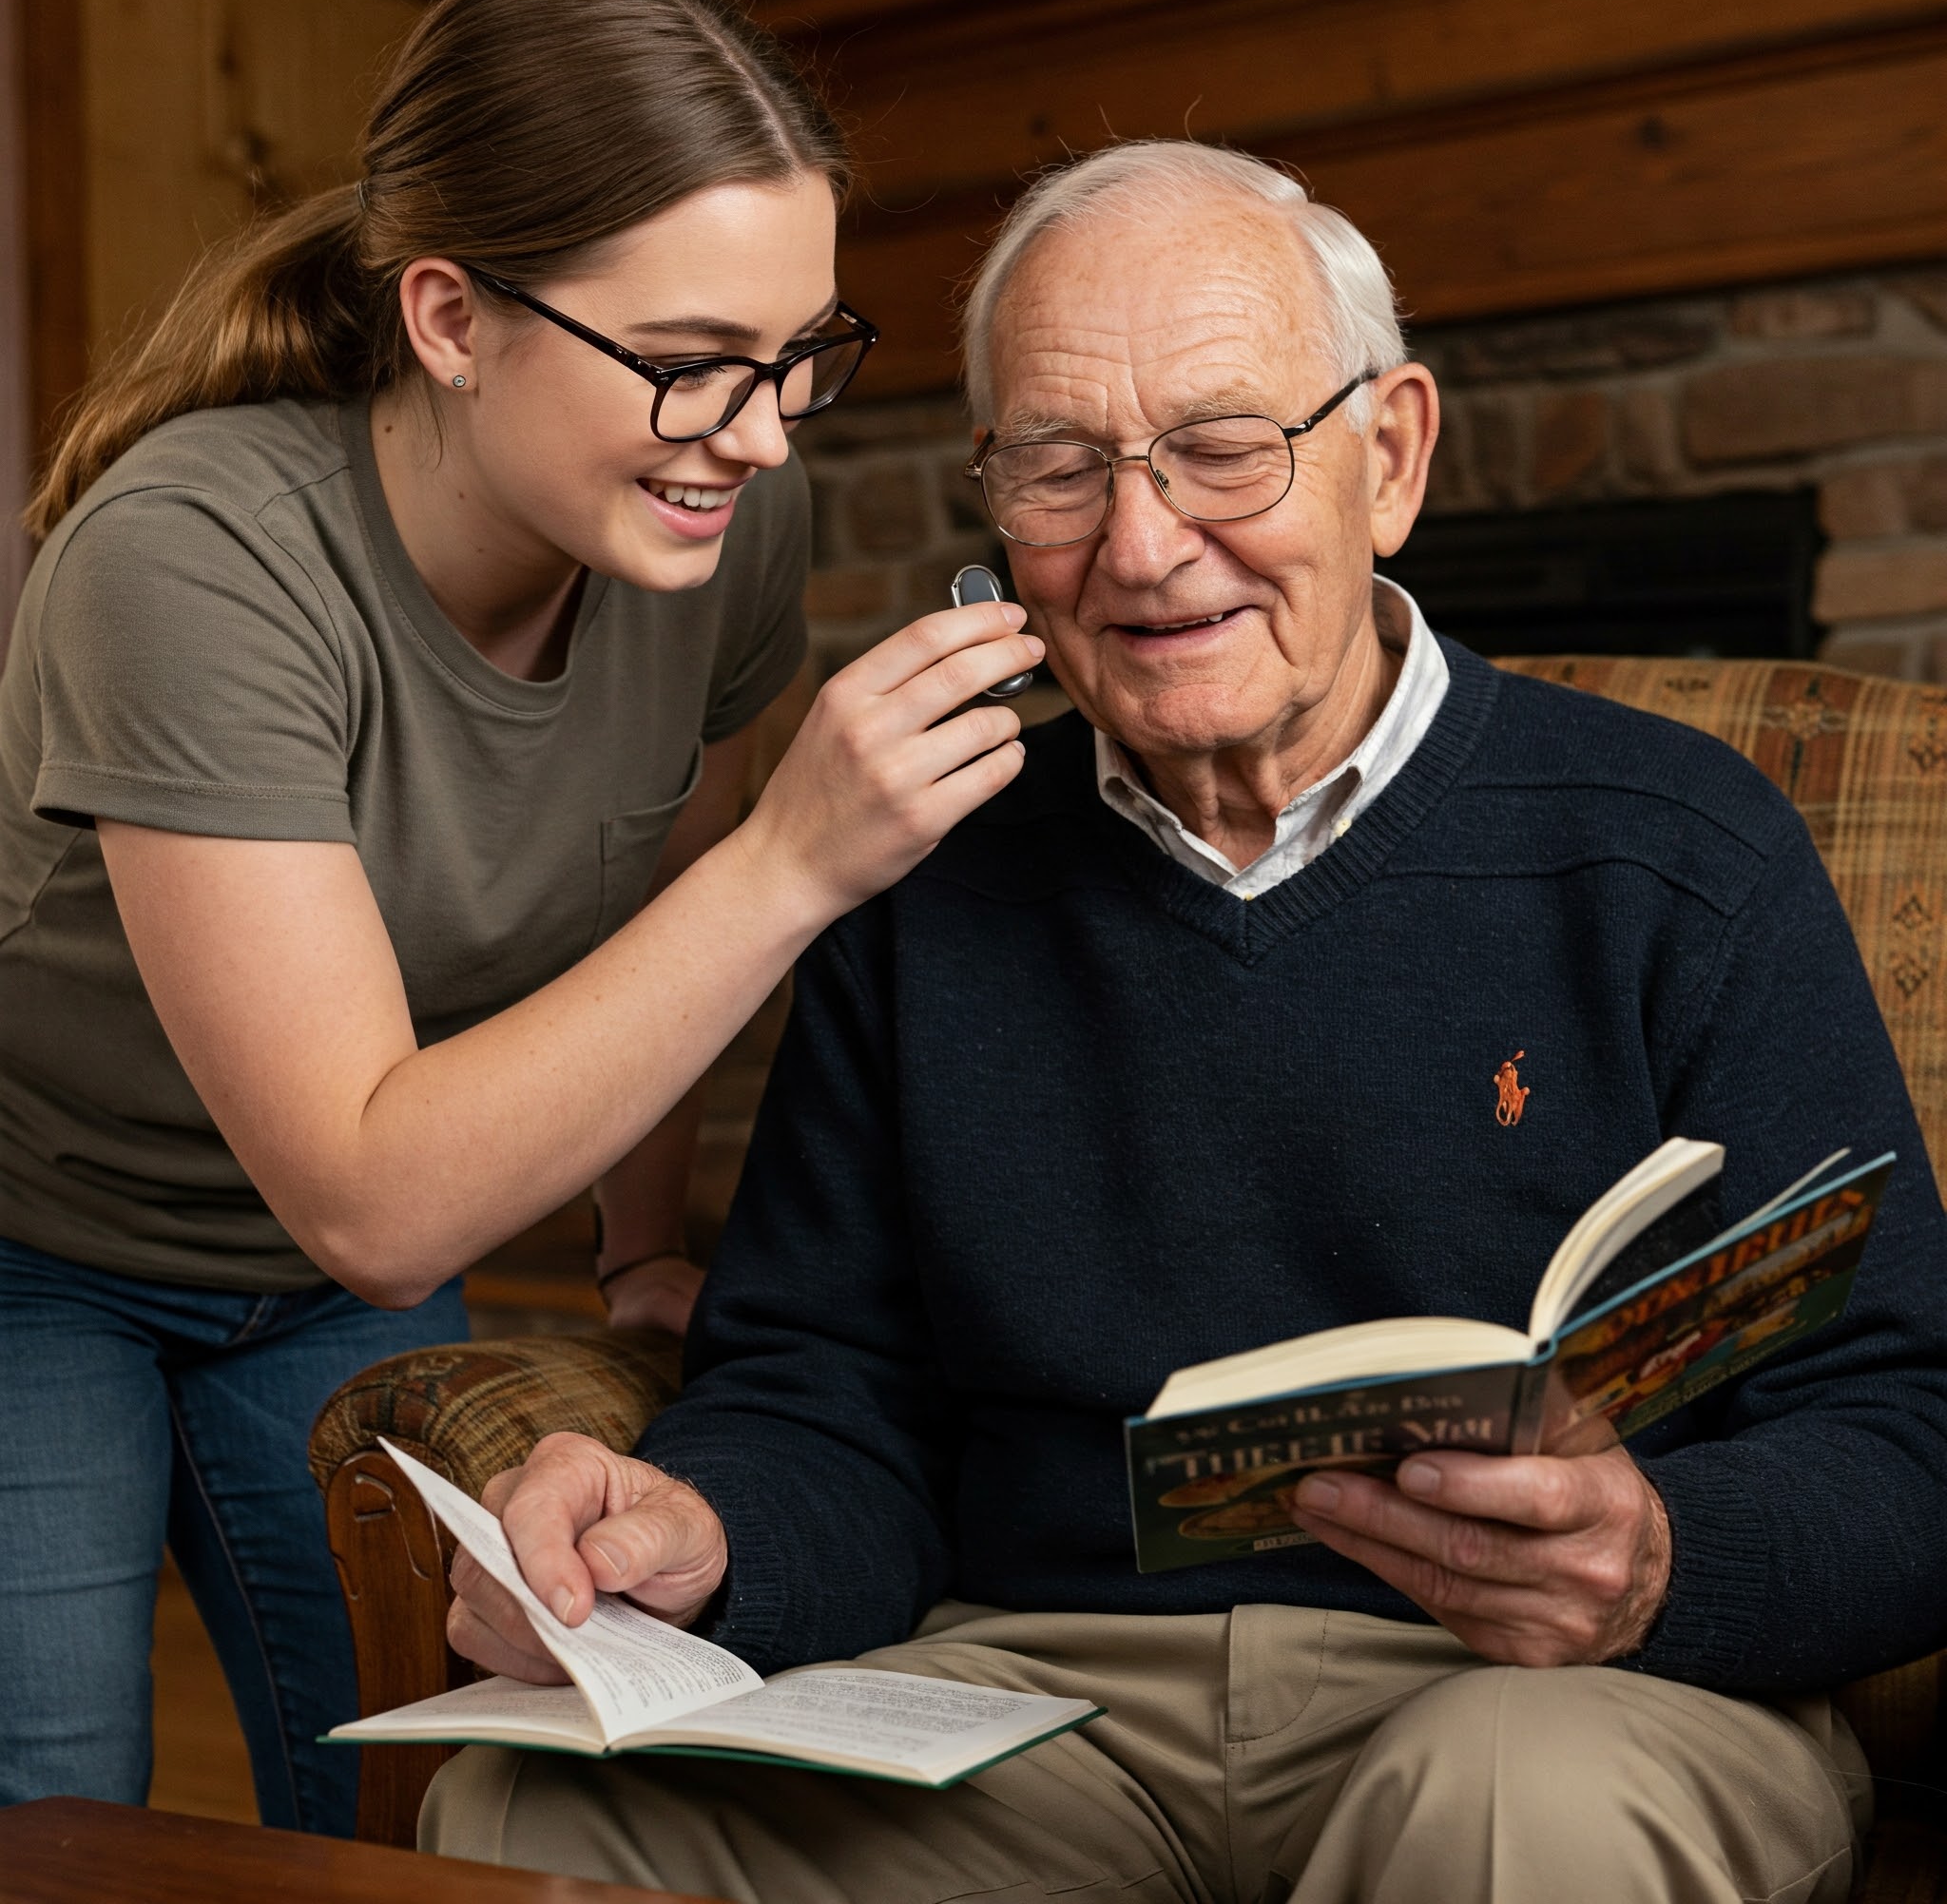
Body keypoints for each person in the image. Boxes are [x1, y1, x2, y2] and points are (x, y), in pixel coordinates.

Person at [424, 142, 1947, 1902]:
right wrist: (710, 1536)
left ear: (1392, 457)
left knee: (1514, 1819)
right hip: (1040, 1697)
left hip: (1559, 1692)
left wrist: (1667, 1559)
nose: (1143, 550)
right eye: (1058, 472)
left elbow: (1905, 1420)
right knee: (539, 1814)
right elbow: (822, 1393)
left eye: (1225, 448)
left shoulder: (1680, 848)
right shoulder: (922, 875)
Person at [0, 0, 1043, 1838]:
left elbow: (654, 872)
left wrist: (646, 1246)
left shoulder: (708, 529)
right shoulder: (186, 561)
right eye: (692, 358)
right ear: (453, 317)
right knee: (57, 1806)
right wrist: (799, 861)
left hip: (295, 1271)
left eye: (802, 353)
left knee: (429, 1795)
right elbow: (380, 1199)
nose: (763, 431)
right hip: (32, 1229)